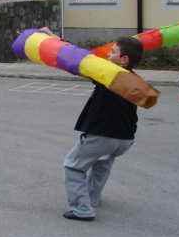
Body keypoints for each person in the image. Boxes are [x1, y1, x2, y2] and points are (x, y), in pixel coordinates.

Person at [62, 35, 144, 221]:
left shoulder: (110, 74)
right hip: (125, 139)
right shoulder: (133, 78)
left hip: (103, 136)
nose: (108, 54)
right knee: (102, 164)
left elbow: (80, 62)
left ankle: (82, 209)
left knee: (73, 166)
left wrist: (56, 42)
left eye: (113, 52)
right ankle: (92, 198)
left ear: (124, 60)